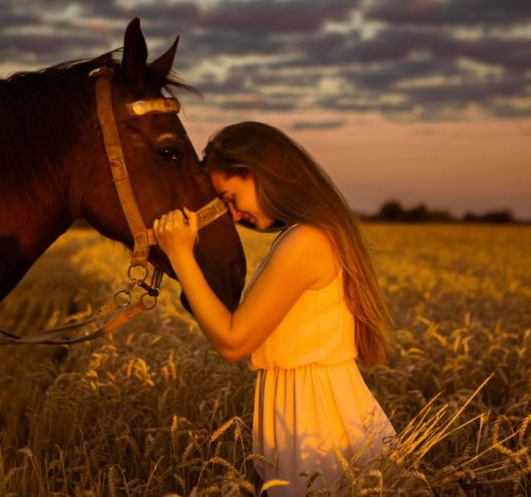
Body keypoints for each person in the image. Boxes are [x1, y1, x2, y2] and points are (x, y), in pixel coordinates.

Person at [153, 121, 396, 495]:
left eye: (230, 197)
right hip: (309, 410)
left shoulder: (307, 241)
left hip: (316, 426)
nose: (231, 213)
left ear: (257, 174)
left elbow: (233, 342)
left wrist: (180, 254)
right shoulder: (307, 234)